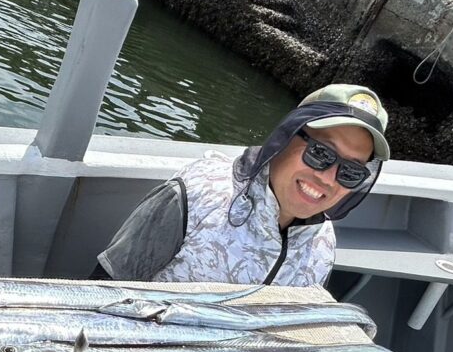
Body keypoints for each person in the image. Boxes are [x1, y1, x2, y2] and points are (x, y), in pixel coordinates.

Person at [93, 84, 390, 286]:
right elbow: (103, 291)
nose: (327, 177)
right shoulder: (197, 195)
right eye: (320, 153)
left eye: (350, 172)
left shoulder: (323, 244)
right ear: (287, 136)